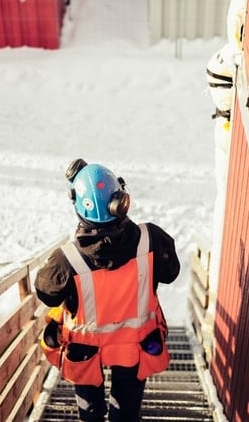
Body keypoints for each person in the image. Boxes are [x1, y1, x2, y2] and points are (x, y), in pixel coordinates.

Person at [35, 159, 180, 422]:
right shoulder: (151, 239)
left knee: (90, 411)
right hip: (135, 344)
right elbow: (171, 274)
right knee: (126, 411)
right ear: (121, 200)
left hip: (85, 349)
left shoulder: (66, 259)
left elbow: (48, 294)